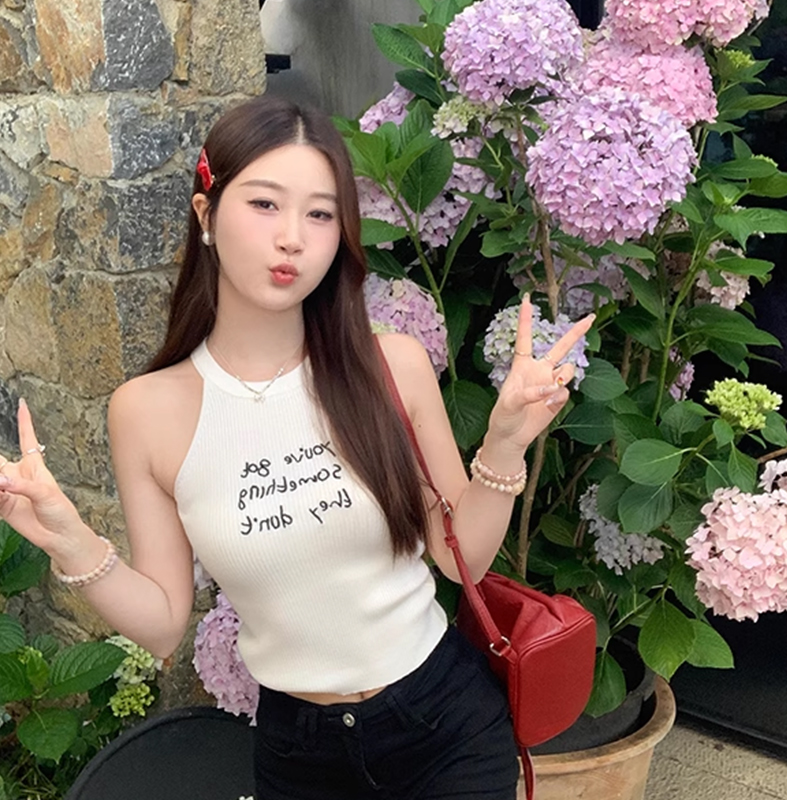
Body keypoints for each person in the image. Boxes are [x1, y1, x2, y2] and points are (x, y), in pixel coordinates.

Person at [0, 95, 593, 799]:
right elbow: (161, 627)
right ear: (205, 215)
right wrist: (70, 543)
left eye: (320, 214)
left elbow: (458, 556)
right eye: (264, 204)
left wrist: (503, 443)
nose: (292, 238)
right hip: (299, 752)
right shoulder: (146, 411)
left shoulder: (391, 367)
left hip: (444, 724)